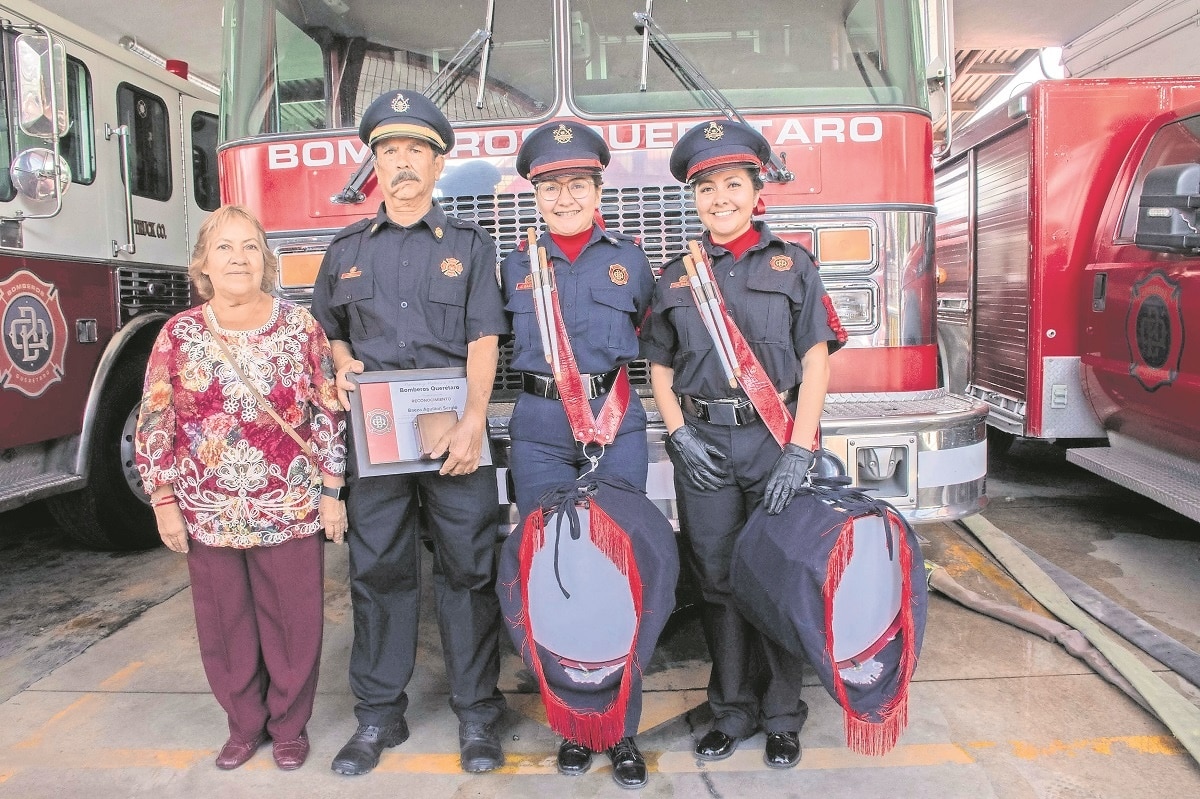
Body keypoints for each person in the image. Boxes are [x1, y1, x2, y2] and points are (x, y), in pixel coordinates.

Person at [311, 90, 509, 777]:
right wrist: (340, 365)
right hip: (376, 440)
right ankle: (377, 715)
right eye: (390, 151)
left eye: (415, 151)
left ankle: (478, 713)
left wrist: (476, 419)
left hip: (456, 433)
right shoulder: (343, 252)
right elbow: (330, 334)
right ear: (374, 163)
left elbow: (485, 337)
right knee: (379, 571)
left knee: (467, 569)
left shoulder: (470, 247)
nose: (402, 164)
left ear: (437, 164)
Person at [639, 120, 847, 770]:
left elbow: (816, 363)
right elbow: (660, 370)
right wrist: (676, 432)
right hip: (704, 445)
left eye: (733, 183)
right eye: (706, 187)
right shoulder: (676, 277)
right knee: (719, 581)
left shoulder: (793, 263)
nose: (719, 197)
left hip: (773, 440)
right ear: (694, 197)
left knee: (779, 577)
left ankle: (784, 714)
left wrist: (801, 448)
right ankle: (730, 709)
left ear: (757, 189)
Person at [134, 204, 348, 772]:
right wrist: (163, 501)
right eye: (224, 247)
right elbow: (156, 421)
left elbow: (327, 409)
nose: (237, 258)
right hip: (207, 509)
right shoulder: (177, 335)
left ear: (266, 260)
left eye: (250, 246)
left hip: (289, 503)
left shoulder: (300, 327)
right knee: (225, 624)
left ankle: (288, 727)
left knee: (293, 620)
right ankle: (243, 725)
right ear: (204, 262)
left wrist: (332, 488)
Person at [497, 121, 658, 788]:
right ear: (535, 194)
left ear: (598, 189)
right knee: (552, 576)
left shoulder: (633, 260)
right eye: (551, 186)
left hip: (615, 424)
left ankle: (618, 728)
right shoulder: (512, 265)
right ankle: (571, 724)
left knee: (621, 577)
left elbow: (655, 335)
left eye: (578, 184)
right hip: (537, 426)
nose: (565, 196)